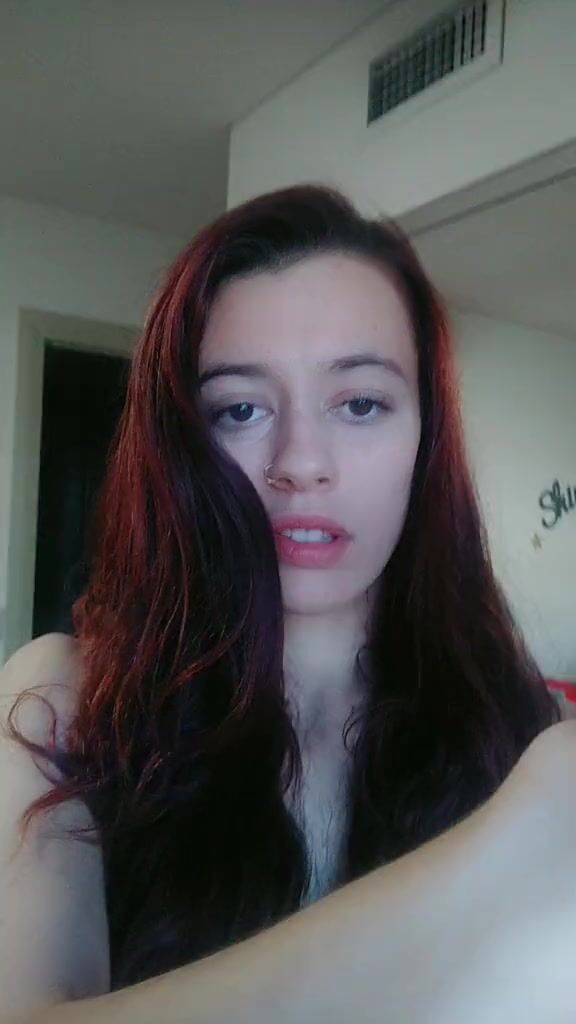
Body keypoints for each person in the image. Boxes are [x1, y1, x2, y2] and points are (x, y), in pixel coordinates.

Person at [0, 184, 572, 1023]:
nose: (301, 462)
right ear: (181, 445)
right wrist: (499, 855)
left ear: (426, 438)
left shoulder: (510, 717)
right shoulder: (63, 703)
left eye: (361, 403)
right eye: (240, 409)